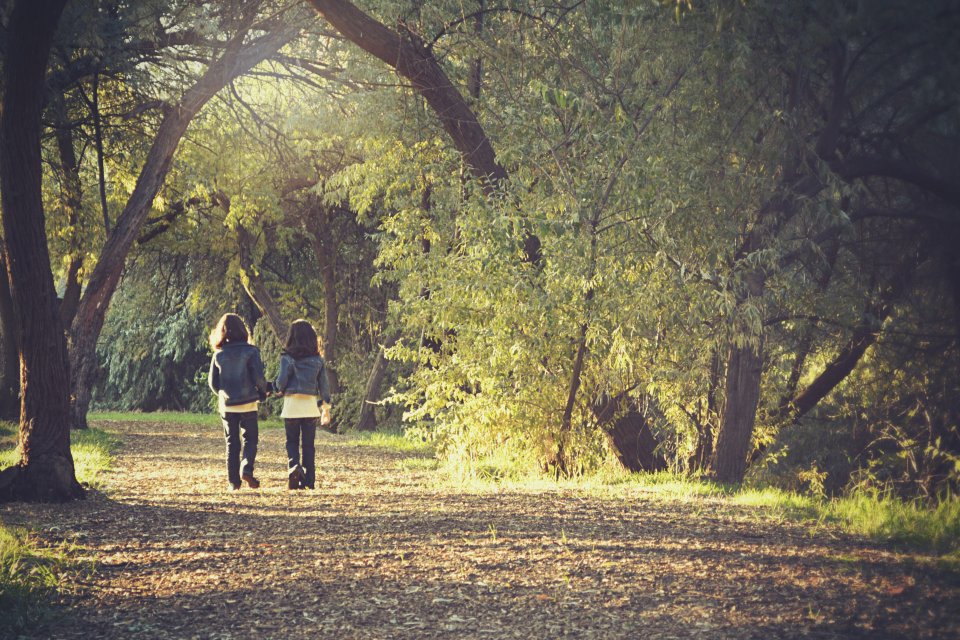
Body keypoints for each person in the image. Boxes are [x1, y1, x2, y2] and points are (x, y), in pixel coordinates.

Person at [208, 313, 269, 490]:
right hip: (248, 402)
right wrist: (263, 393)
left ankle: (233, 483)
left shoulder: (218, 355)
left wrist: (224, 394)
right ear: (243, 330)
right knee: (250, 439)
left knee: (231, 442)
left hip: (227, 405)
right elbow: (258, 378)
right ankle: (246, 467)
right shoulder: (251, 351)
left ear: (222, 332)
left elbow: (213, 383)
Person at [274, 319, 332, 490]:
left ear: (292, 337)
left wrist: (276, 389)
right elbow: (325, 388)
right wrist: (326, 410)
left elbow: (281, 382)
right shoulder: (318, 361)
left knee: (291, 442)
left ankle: (294, 467)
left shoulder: (287, 358)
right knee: (308, 445)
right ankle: (309, 480)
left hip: (291, 407)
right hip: (309, 408)